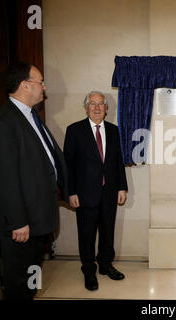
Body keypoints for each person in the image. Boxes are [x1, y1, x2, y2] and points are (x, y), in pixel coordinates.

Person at [0, 61, 68, 300]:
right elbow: (5, 178)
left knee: (32, 278)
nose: (44, 87)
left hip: (37, 219)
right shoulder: (4, 123)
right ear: (24, 85)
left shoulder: (30, 116)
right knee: (18, 284)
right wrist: (18, 221)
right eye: (40, 82)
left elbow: (49, 159)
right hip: (22, 226)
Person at [64, 91, 128, 291]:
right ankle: (89, 270)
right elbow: (68, 165)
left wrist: (122, 187)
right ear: (86, 107)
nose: (97, 107)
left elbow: (118, 162)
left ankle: (106, 265)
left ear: (106, 109)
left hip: (109, 193)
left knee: (108, 232)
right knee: (87, 234)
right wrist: (71, 192)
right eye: (93, 103)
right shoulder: (74, 130)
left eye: (101, 104)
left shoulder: (114, 131)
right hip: (84, 195)